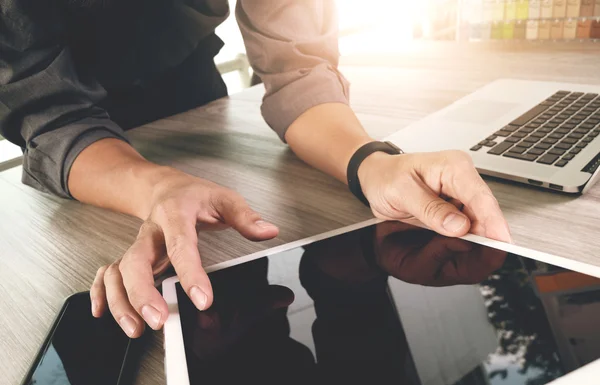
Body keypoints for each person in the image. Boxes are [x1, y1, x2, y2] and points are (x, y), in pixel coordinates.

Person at [0, 0, 511, 338]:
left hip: (186, 77)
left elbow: (297, 67)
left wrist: (369, 162)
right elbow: (51, 115)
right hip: (71, 147)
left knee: (249, 316)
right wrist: (155, 188)